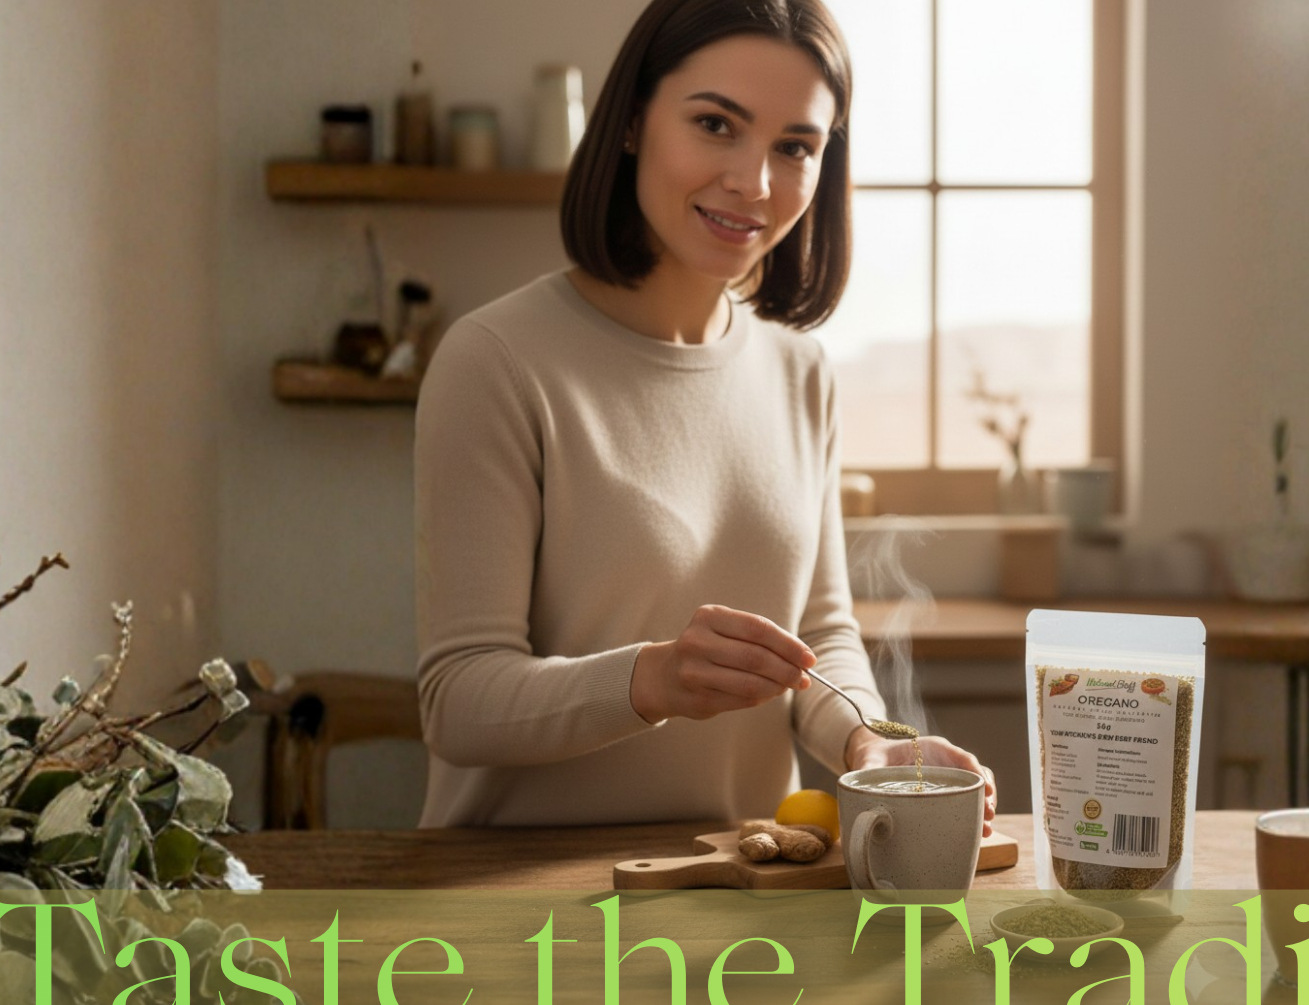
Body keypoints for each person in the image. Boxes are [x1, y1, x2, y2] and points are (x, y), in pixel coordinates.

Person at [413, 0, 997, 835]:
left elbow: (820, 638)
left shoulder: (800, 374)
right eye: (717, 124)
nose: (754, 183)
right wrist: (652, 681)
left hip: (746, 883)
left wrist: (870, 743)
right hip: (516, 903)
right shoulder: (496, 361)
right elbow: (458, 701)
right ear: (631, 123)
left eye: (795, 147)